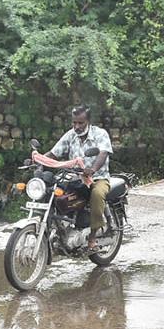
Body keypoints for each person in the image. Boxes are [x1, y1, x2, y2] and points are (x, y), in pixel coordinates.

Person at [48, 105, 113, 246]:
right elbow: (54, 153)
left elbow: (103, 153)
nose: (76, 126)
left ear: (88, 121)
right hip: (74, 178)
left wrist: (93, 169)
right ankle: (58, 228)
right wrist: (38, 159)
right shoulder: (70, 135)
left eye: (80, 123)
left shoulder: (100, 134)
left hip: (97, 177)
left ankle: (93, 236)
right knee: (52, 191)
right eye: (74, 122)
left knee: (97, 194)